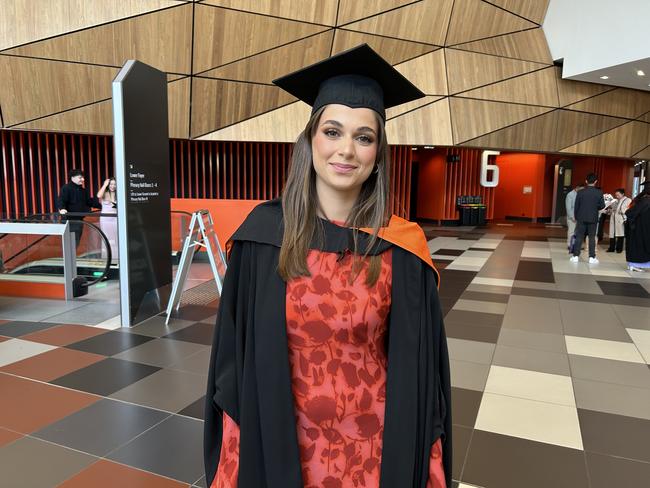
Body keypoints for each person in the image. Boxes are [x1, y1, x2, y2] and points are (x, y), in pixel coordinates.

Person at [204, 45, 451, 488]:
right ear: (311, 140)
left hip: (373, 453)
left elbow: (421, 378)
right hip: (279, 442)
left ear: (378, 154)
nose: (346, 150)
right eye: (333, 131)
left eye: (364, 136)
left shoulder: (402, 249)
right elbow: (233, 363)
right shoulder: (262, 239)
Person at [56, 169, 101, 248]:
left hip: (79, 220)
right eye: (80, 178)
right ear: (72, 177)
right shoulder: (66, 188)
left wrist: (102, 206)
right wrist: (62, 208)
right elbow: (61, 200)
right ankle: (68, 259)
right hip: (69, 220)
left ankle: (73, 258)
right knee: (69, 242)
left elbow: (89, 202)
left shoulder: (83, 190)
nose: (83, 180)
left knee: (76, 241)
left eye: (83, 178)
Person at [570, 173, 605, 264]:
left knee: (579, 237)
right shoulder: (599, 192)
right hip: (593, 218)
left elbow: (576, 206)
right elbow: (602, 206)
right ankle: (592, 257)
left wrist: (576, 217)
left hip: (581, 218)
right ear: (596, 182)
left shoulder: (580, 192)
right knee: (592, 237)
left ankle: (575, 256)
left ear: (586, 181)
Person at [625, 182, 650, 272]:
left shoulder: (641, 199)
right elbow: (630, 213)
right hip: (640, 228)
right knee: (639, 245)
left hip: (639, 228)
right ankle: (634, 265)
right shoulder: (646, 201)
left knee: (638, 245)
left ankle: (634, 264)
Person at [96, 177, 118, 261]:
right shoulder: (104, 193)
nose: (113, 186)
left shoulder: (118, 194)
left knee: (115, 238)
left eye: (115, 184)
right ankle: (107, 258)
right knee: (106, 238)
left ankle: (116, 257)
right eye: (111, 184)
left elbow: (117, 206)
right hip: (105, 220)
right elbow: (98, 195)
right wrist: (105, 185)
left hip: (115, 219)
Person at [606, 188, 631, 253]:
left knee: (620, 234)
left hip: (621, 219)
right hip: (613, 218)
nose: (617, 196)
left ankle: (619, 249)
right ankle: (611, 248)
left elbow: (626, 209)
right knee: (612, 234)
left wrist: (620, 209)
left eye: (618, 195)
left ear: (622, 194)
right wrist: (610, 207)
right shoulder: (615, 201)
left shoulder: (627, 200)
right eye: (616, 195)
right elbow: (613, 209)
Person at [565, 183, 583, 252]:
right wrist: (572, 217)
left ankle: (577, 245)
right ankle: (570, 245)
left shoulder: (580, 194)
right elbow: (568, 207)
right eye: (581, 189)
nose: (582, 191)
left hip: (579, 217)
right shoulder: (570, 195)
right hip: (572, 217)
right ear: (577, 188)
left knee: (578, 232)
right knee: (571, 231)